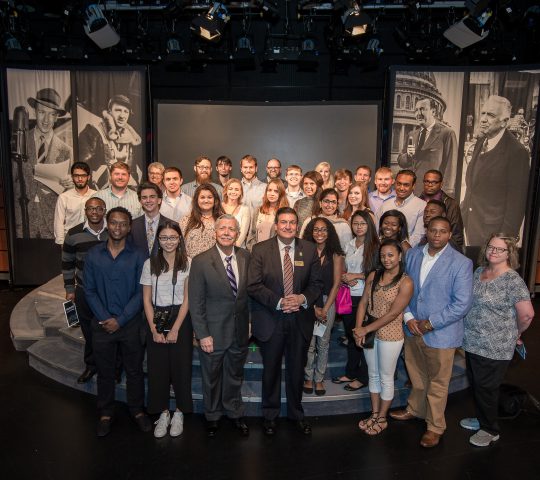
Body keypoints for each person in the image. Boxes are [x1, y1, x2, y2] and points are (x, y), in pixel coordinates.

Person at [390, 217, 473, 449]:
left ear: (449, 234)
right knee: (416, 375)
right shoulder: (412, 255)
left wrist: (430, 323)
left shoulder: (461, 263)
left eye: (442, 231)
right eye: (433, 230)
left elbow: (462, 304)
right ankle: (415, 409)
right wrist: (408, 317)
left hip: (441, 332)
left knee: (438, 383)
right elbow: (402, 287)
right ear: (426, 231)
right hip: (412, 327)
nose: (437, 235)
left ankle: (435, 426)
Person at [247, 207, 323, 436]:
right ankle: (270, 416)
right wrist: (280, 302)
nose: (288, 226)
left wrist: (302, 298)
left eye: (292, 222)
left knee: (297, 370)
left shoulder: (309, 249)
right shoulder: (260, 249)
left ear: (297, 226)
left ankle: (296, 414)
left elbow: (317, 284)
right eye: (283, 222)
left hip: (300, 319)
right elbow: (253, 284)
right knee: (270, 370)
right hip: (271, 319)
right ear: (276, 225)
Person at [460, 234, 534, 447]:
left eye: (500, 249)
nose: (493, 251)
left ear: (509, 253)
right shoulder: (479, 272)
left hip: (496, 344)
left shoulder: (512, 280)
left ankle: (490, 429)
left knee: (487, 387)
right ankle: (482, 418)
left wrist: (517, 333)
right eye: (491, 247)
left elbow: (527, 314)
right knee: (477, 383)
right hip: (472, 340)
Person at [84, 206, 151, 437]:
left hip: (130, 324)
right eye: (113, 222)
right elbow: (89, 290)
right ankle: (105, 412)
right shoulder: (93, 255)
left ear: (129, 227)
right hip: (101, 325)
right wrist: (106, 318)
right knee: (104, 371)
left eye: (123, 223)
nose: (117, 227)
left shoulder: (140, 255)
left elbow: (142, 292)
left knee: (134, 371)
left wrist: (120, 320)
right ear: (107, 223)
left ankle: (137, 410)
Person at [189, 215, 251, 437]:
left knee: (235, 375)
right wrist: (202, 334)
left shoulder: (246, 256)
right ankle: (212, 415)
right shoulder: (201, 261)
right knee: (212, 377)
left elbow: (249, 295)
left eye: (231, 229)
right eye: (222, 228)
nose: (226, 232)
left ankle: (235, 412)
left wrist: (249, 322)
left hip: (239, 330)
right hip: (212, 333)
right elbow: (196, 302)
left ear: (238, 233)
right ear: (215, 232)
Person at [353, 239, 413, 435]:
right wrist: (358, 328)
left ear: (400, 256)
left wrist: (365, 329)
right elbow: (363, 303)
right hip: (369, 331)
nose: (386, 259)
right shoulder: (374, 275)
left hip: (391, 334)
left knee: (386, 377)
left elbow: (393, 314)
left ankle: (382, 418)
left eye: (391, 255)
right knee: (373, 374)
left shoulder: (406, 282)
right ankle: (374, 413)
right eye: (383, 255)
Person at [140, 222, 192, 438]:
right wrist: (154, 329)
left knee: (181, 367)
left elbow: (188, 299)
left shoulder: (188, 263)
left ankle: (179, 412)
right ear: (158, 240)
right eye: (164, 238)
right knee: (158, 368)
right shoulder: (149, 263)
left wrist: (176, 328)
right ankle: (162, 412)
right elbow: (146, 299)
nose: (168, 242)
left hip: (181, 317)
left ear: (179, 239)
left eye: (173, 237)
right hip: (156, 316)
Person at [461, 95, 530, 245]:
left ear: (504, 121)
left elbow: (516, 205)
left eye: (490, 115)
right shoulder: (481, 142)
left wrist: (503, 241)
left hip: (493, 236)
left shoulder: (517, 153)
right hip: (470, 227)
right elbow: (472, 188)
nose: (483, 119)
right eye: (483, 113)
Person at [14, 87, 73, 239]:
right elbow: (11, 179)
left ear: (56, 117)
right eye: (41, 112)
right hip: (23, 219)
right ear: (34, 112)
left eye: (51, 114)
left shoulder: (66, 150)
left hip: (51, 221)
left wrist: (70, 184)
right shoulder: (18, 143)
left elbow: (69, 193)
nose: (46, 120)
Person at [62, 197, 108, 384]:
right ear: (86, 211)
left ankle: (113, 367)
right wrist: (69, 289)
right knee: (89, 332)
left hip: (109, 293)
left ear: (104, 210)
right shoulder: (73, 234)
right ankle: (91, 365)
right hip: (84, 291)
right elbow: (67, 263)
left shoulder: (114, 230)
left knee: (111, 331)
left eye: (98, 208)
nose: (94, 212)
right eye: (90, 209)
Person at [332, 210, 379, 392]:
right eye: (356, 223)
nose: (359, 227)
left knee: (364, 337)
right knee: (351, 336)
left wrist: (357, 276)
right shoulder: (349, 244)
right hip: (347, 295)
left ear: (369, 225)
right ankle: (351, 372)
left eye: (362, 223)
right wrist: (345, 275)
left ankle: (363, 377)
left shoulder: (375, 246)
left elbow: (380, 272)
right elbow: (343, 267)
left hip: (366, 297)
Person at [302, 218, 345, 396]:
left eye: (324, 229)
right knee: (309, 344)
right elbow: (301, 282)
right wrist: (313, 308)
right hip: (308, 302)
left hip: (328, 301)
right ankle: (308, 377)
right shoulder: (304, 251)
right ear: (310, 232)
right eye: (316, 229)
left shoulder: (336, 254)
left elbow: (336, 284)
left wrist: (325, 309)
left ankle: (319, 379)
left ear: (330, 232)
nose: (320, 233)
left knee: (323, 343)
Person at [79, 94, 142, 190]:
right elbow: (83, 169)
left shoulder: (130, 138)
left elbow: (132, 171)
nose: (122, 116)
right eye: (118, 110)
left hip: (124, 192)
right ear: (109, 112)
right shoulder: (93, 132)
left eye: (126, 111)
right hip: (99, 192)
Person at [397, 97, 458, 196]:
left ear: (433, 112)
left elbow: (451, 168)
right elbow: (401, 161)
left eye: (422, 109)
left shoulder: (447, 133)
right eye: (416, 110)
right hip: (412, 193)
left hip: (432, 194)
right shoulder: (412, 134)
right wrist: (408, 156)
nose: (418, 113)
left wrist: (445, 194)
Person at [377, 170, 426, 247]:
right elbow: (377, 230)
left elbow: (418, 236)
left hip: (407, 251)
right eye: (399, 184)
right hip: (383, 249)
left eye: (406, 185)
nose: (401, 188)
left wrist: (398, 247)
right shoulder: (386, 205)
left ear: (413, 186)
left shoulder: (422, 206)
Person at [419, 170, 464, 251]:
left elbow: (457, 235)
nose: (429, 185)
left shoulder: (450, 204)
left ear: (441, 184)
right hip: (419, 248)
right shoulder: (418, 201)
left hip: (444, 250)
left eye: (434, 182)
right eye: (427, 181)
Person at [129, 182, 176, 258]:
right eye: (144, 197)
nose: (148, 200)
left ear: (159, 200)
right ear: (140, 201)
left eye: (152, 197)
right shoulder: (132, 225)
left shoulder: (172, 225)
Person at [54, 161, 96, 245]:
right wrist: (61, 242)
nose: (80, 179)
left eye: (83, 176)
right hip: (70, 240)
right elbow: (58, 222)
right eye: (76, 176)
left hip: (92, 239)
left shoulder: (96, 195)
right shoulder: (64, 197)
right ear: (72, 177)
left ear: (88, 177)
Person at [180, 184, 224, 258]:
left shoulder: (222, 220)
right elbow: (180, 245)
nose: (206, 201)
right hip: (192, 263)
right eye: (202, 197)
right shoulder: (186, 220)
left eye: (209, 197)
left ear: (215, 200)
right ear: (196, 200)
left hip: (216, 262)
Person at [246, 179, 289, 251]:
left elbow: (286, 238)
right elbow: (252, 235)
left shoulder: (285, 213)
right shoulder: (258, 210)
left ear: (281, 194)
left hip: (275, 253)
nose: (272, 194)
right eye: (269, 190)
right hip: (257, 252)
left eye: (276, 191)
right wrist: (254, 250)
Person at [221, 178, 250, 247]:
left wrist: (234, 247)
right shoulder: (219, 206)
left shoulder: (245, 209)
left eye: (236, 189)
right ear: (226, 190)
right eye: (230, 189)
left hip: (237, 248)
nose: (233, 192)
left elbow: (243, 234)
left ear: (241, 193)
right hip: (219, 246)